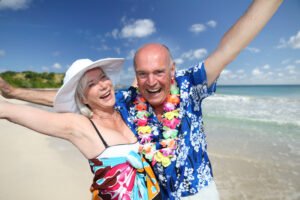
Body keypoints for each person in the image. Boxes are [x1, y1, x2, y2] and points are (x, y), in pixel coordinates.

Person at [0, 0, 283, 199]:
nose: (151, 81)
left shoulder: (191, 85)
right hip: (156, 195)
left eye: (159, 72)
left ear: (172, 70)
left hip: (199, 194)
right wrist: (14, 93)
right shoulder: (127, 100)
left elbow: (230, 46)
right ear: (135, 75)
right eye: (143, 74)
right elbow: (72, 98)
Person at [0, 58, 161, 200]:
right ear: (83, 98)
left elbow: (143, 78)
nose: (103, 86)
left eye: (103, 77)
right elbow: (9, 111)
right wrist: (9, 92)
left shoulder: (128, 109)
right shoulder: (80, 126)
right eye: (91, 84)